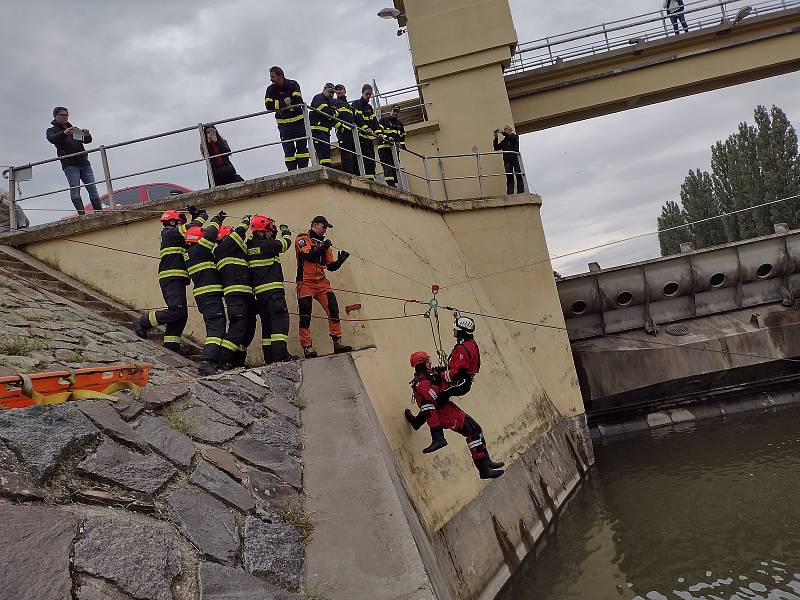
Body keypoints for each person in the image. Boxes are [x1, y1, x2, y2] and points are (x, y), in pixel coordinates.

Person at [404, 351, 504, 479]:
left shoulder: (429, 374)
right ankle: (483, 469)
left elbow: (439, 378)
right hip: (446, 415)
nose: (430, 362)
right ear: (421, 364)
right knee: (472, 432)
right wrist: (438, 382)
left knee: (477, 429)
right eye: (427, 361)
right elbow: (432, 395)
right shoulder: (421, 381)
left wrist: (449, 370)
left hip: (449, 410)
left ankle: (486, 461)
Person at [134, 206, 206, 353]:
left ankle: (171, 345)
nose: (182, 224)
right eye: (180, 222)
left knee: (181, 314)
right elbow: (192, 228)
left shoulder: (175, 235)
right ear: (173, 222)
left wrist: (194, 216)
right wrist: (202, 216)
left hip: (176, 277)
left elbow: (190, 234)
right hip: (171, 276)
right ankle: (143, 322)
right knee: (176, 311)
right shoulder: (170, 233)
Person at [295, 215, 352, 358]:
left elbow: (330, 266)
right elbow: (308, 256)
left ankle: (337, 342)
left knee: (333, 310)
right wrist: (323, 247)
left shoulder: (324, 243)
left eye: (326, 228)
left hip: (322, 283)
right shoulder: (302, 239)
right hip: (305, 283)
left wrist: (340, 261)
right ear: (314, 225)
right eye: (323, 227)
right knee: (305, 315)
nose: (325, 230)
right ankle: (307, 347)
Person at [247, 215, 296, 363]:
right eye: (268, 230)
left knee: (267, 325)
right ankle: (281, 355)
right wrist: (285, 231)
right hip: (274, 292)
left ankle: (269, 357)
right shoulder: (268, 245)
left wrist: (272, 232)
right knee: (280, 320)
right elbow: (285, 244)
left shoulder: (250, 247)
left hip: (260, 294)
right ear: (261, 232)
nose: (270, 232)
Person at [184, 210, 227, 375]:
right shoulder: (199, 250)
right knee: (216, 329)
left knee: (216, 328)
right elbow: (210, 234)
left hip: (205, 296)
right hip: (209, 296)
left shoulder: (192, 254)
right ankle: (207, 362)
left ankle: (212, 361)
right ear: (197, 240)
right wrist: (217, 219)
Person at [215, 215, 257, 368]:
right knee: (238, 328)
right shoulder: (223, 249)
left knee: (248, 329)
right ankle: (221, 362)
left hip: (246, 295)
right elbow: (239, 234)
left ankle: (238, 362)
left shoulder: (236, 252)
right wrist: (246, 221)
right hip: (235, 296)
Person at [46, 107, 102, 215]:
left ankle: (99, 213)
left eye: (66, 115)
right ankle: (82, 215)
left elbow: (86, 141)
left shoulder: (72, 129)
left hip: (84, 162)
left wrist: (87, 134)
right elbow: (52, 139)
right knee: (75, 190)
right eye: (62, 115)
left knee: (92, 189)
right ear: (55, 116)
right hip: (69, 164)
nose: (65, 117)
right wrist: (64, 133)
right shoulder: (52, 130)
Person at [264, 66, 309, 171]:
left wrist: (279, 106)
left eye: (273, 77)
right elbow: (268, 105)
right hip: (283, 125)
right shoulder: (270, 89)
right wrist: (284, 103)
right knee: (288, 151)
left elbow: (297, 100)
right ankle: (292, 172)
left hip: (298, 122)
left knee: (302, 148)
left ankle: (303, 170)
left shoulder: (293, 84)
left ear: (280, 76)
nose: (271, 79)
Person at [351, 84, 380, 181]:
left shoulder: (369, 107)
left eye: (370, 95)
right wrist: (365, 127)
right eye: (367, 94)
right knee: (365, 158)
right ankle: (364, 178)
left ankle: (371, 178)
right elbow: (357, 119)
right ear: (362, 93)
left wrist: (379, 132)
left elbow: (374, 121)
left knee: (371, 159)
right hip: (360, 137)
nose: (368, 96)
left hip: (368, 138)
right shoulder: (356, 104)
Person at [377, 106, 406, 188]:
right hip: (384, 148)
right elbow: (380, 132)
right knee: (387, 166)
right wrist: (387, 138)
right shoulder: (383, 120)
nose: (395, 113)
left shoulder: (400, 124)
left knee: (395, 167)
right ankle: (391, 185)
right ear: (390, 111)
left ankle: (395, 185)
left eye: (397, 112)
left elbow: (402, 135)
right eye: (394, 111)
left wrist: (402, 144)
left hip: (394, 150)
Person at [309, 83, 337, 167]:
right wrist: (331, 111)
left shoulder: (330, 101)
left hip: (325, 131)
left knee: (326, 151)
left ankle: (327, 167)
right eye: (330, 92)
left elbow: (333, 114)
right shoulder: (318, 98)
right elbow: (325, 112)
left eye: (333, 93)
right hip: (317, 130)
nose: (331, 94)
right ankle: (325, 167)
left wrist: (331, 112)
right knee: (321, 151)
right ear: (324, 90)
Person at [332, 84, 357, 175]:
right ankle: (348, 174)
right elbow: (331, 117)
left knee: (355, 154)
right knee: (346, 154)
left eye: (340, 89)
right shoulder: (334, 102)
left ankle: (356, 173)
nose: (338, 91)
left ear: (345, 91)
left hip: (352, 133)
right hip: (342, 133)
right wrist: (340, 127)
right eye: (337, 90)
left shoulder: (349, 106)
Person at [493, 126, 524, 195]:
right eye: (504, 130)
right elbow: (496, 148)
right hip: (507, 161)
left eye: (506, 129)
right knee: (509, 177)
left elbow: (510, 137)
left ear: (510, 130)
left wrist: (502, 132)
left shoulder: (515, 137)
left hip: (515, 159)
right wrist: (496, 137)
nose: (504, 131)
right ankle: (510, 193)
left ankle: (521, 192)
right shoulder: (504, 141)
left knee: (518, 175)